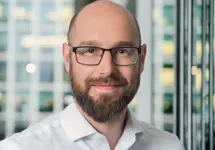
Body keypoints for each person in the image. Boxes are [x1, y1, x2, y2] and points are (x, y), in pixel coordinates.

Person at [0, 0, 184, 150]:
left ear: (142, 59)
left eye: (122, 51)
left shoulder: (169, 146)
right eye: (89, 50)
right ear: (67, 57)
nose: (107, 69)